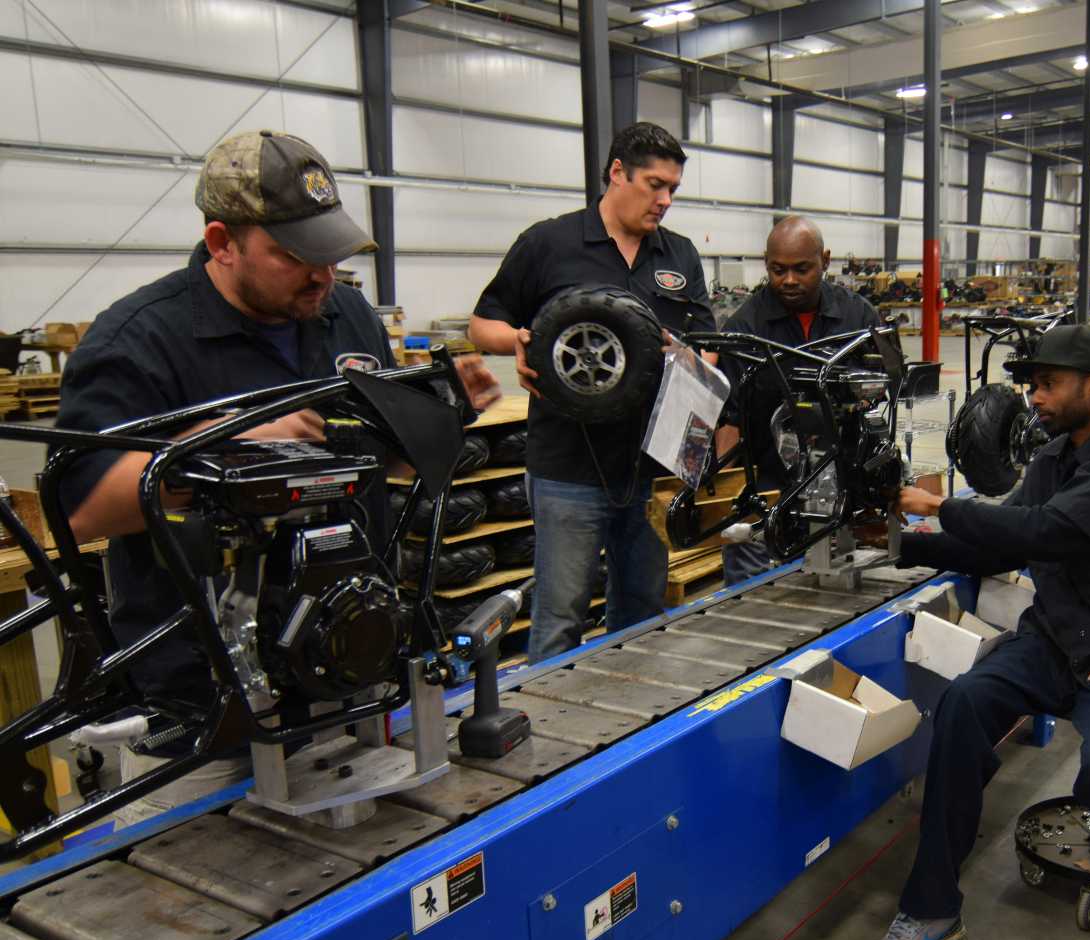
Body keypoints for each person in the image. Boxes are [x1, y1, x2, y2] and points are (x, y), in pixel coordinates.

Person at [55, 130, 500, 824]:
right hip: (211, 707)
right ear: (221, 242)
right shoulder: (139, 342)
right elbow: (83, 508)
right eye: (295, 257)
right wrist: (222, 453)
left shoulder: (344, 315)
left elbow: (377, 460)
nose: (322, 276)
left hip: (349, 664)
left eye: (329, 254)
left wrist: (438, 418)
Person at [864, 325, 1090, 940]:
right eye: (1033, 386)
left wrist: (942, 505)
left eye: (1048, 385)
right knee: (963, 705)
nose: (1035, 397)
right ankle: (931, 910)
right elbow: (1002, 549)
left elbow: (1052, 532)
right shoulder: (1052, 460)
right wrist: (902, 544)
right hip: (1054, 643)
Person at [468, 123, 713, 663]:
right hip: (567, 465)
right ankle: (553, 734)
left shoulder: (680, 255)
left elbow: (710, 346)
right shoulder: (549, 242)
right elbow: (481, 325)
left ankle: (630, 730)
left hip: (650, 466)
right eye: (655, 184)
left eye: (673, 188)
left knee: (643, 610)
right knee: (561, 614)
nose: (665, 200)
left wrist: (688, 357)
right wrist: (521, 342)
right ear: (617, 173)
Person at [716, 215, 882, 584]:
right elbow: (729, 419)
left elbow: (881, 395)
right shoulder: (745, 327)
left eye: (802, 269)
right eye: (778, 270)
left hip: (842, 495)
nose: (788, 280)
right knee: (752, 603)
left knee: (838, 597)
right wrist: (732, 498)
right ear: (765, 263)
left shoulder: (859, 316)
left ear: (825, 259)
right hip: (767, 493)